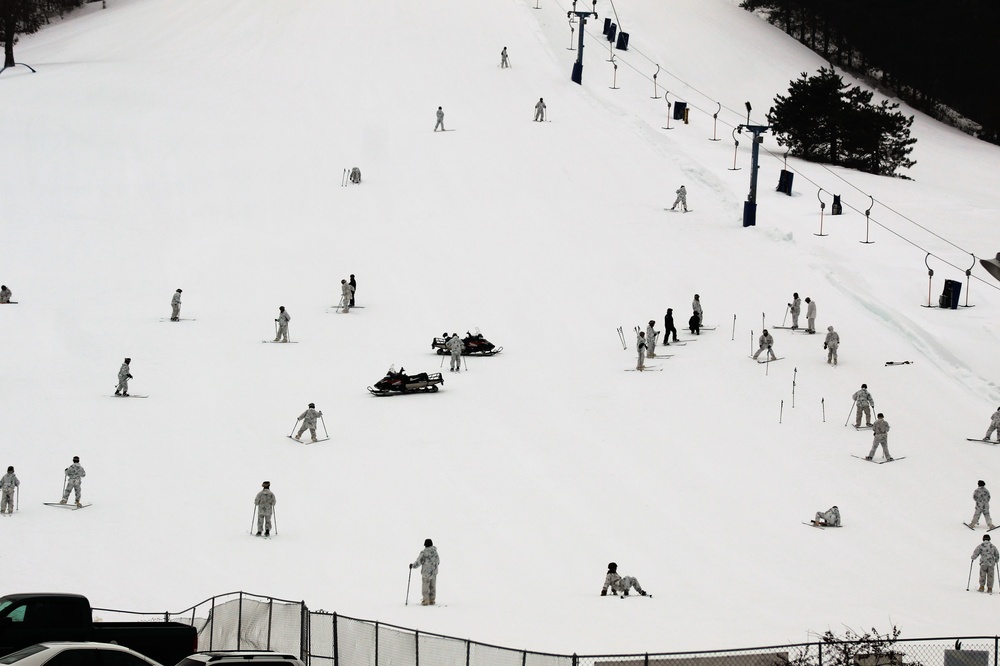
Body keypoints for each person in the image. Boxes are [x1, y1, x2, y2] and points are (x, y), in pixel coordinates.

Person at [410, 538, 440, 605]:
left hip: (426, 572)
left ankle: (426, 600)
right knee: (433, 586)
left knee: (425, 587)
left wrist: (412, 566)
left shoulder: (424, 553)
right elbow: (438, 561)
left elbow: (418, 562)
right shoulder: (435, 552)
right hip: (434, 572)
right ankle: (432, 599)